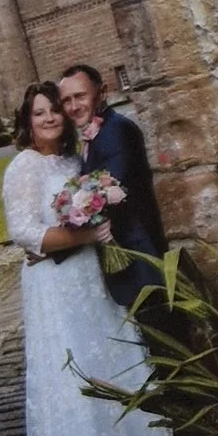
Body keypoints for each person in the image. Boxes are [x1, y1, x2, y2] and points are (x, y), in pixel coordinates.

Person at [0, 80, 175, 436]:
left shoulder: (71, 161)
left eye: (54, 110)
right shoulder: (22, 167)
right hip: (55, 287)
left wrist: (93, 225)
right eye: (39, 112)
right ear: (27, 120)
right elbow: (23, 230)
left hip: (92, 279)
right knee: (72, 366)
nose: (49, 118)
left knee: (111, 355)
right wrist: (83, 237)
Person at [56, 62, 165, 310]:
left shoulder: (115, 131)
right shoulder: (96, 133)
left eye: (80, 96)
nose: (73, 107)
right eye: (67, 100)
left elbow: (104, 202)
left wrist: (53, 249)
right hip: (130, 266)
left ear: (101, 92)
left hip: (140, 261)